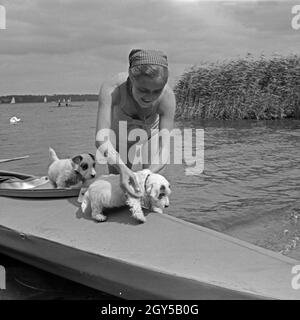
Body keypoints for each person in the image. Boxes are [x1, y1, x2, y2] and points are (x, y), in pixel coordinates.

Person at [95, 49, 176, 198]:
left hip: (151, 136)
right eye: (143, 89)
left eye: (156, 91)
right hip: (120, 138)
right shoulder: (112, 89)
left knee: (153, 187)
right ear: (131, 79)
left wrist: (147, 175)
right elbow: (101, 138)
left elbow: (164, 146)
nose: (149, 97)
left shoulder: (167, 97)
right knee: (120, 191)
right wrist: (121, 167)